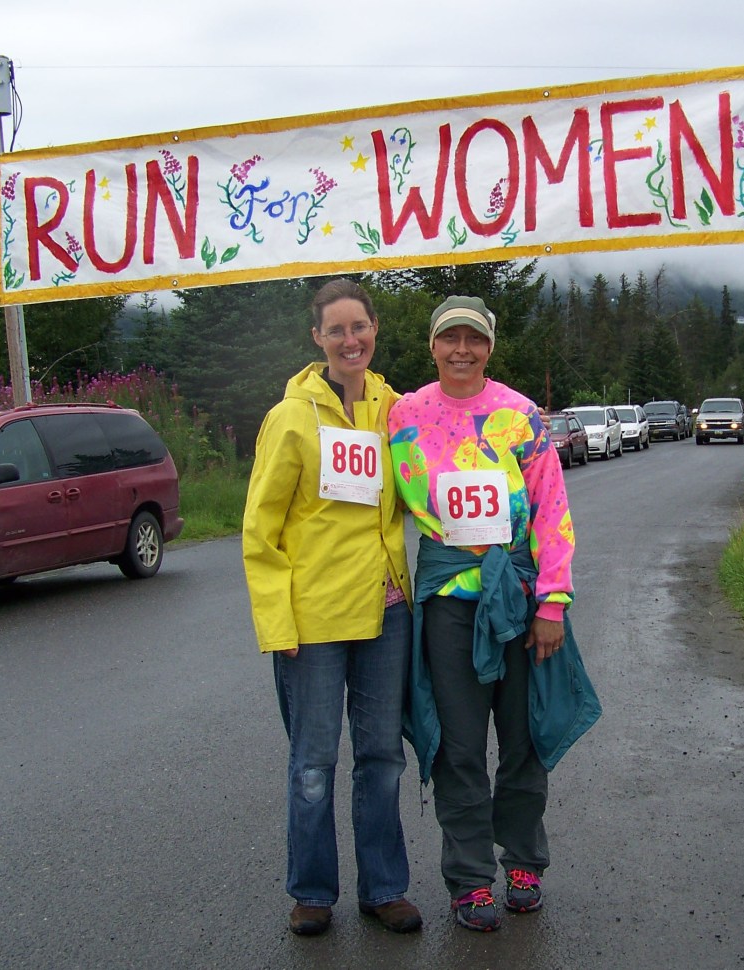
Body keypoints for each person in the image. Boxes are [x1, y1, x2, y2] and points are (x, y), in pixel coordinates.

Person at [388, 295, 601, 932]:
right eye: (450, 338)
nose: (462, 350)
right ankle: (470, 878)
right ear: (432, 345)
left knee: (523, 737)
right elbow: (382, 506)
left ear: (488, 347)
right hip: (450, 602)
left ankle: (525, 861)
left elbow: (550, 509)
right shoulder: (406, 414)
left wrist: (553, 601)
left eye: (473, 340)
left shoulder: (519, 415)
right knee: (457, 746)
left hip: (518, 599)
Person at [242, 279, 421, 937]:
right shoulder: (290, 418)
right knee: (313, 762)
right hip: (313, 623)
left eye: (360, 327)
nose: (351, 340)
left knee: (382, 757)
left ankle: (385, 888)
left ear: (375, 331)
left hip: (386, 614)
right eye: (337, 329)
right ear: (317, 338)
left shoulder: (397, 410)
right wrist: (276, 622)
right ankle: (312, 891)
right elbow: (260, 532)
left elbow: (435, 477)